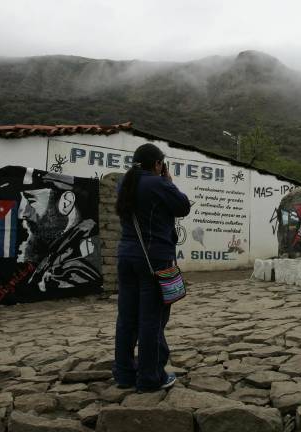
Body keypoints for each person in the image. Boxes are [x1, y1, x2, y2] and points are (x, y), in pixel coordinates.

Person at [112, 143, 190, 392]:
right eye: (162, 164)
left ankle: (124, 374)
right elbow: (183, 206)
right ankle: (150, 377)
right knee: (151, 320)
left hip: (126, 257)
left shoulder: (126, 183)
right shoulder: (157, 183)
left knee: (127, 317)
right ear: (158, 164)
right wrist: (169, 181)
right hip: (153, 259)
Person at [16, 170, 102, 294]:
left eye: (31, 201)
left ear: (66, 203)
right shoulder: (59, 248)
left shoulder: (76, 267)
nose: (22, 213)